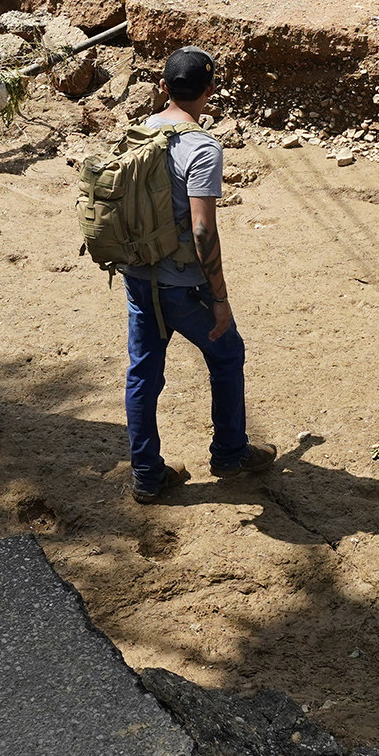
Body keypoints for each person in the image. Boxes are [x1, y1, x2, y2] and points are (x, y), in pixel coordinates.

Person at [121, 48, 274, 504]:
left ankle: (147, 475)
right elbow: (202, 228)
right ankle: (229, 453)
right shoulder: (202, 148)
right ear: (209, 91)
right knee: (227, 354)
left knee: (143, 374)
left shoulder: (140, 131)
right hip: (182, 285)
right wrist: (220, 297)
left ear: (163, 86)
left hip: (137, 275)